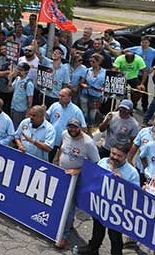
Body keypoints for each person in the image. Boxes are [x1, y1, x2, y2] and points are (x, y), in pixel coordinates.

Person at [77, 144, 139, 255]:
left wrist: (122, 183)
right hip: (100, 204)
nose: (114, 157)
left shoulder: (132, 173)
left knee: (114, 235)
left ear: (126, 156)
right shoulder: (103, 162)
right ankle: (93, 248)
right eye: (113, 153)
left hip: (117, 210)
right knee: (97, 228)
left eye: (119, 155)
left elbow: (135, 195)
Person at [54, 118, 100, 249]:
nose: (72, 129)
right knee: (60, 201)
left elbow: (96, 164)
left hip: (76, 178)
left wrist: (78, 171)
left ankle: (64, 235)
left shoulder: (88, 143)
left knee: (69, 205)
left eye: (75, 127)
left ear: (80, 127)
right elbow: (62, 149)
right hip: (62, 173)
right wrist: (58, 161)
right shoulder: (64, 134)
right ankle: (63, 224)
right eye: (70, 126)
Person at [46, 88, 86, 162]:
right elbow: (47, 117)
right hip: (53, 139)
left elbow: (83, 127)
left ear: (69, 97)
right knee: (48, 160)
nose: (59, 98)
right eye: (59, 95)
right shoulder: (55, 105)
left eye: (62, 96)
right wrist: (43, 111)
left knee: (61, 162)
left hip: (67, 141)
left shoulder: (76, 111)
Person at [8, 62, 34, 128]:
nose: (19, 71)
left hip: (21, 110)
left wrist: (28, 112)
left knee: (17, 127)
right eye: (18, 69)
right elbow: (10, 89)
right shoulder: (17, 79)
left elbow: (30, 99)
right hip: (13, 107)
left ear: (26, 71)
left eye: (21, 70)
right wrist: (10, 79)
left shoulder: (28, 83)